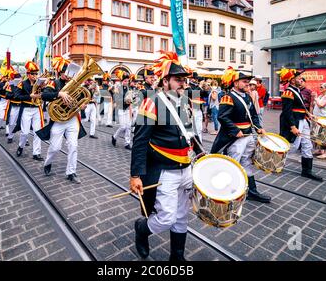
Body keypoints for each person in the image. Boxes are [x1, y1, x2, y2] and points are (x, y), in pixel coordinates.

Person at [130, 51, 200, 261]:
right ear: (165, 81)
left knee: (181, 216)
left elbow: (190, 135)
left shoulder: (185, 102)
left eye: (184, 80)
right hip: (164, 171)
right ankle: (142, 229)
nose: (182, 84)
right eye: (178, 80)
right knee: (166, 218)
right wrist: (135, 175)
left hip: (186, 168)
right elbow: (140, 141)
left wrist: (202, 154)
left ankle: (176, 257)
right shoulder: (151, 102)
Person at [211, 67, 270, 203]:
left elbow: (253, 115)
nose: (247, 85)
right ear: (236, 83)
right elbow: (223, 117)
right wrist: (234, 130)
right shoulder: (228, 97)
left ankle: (251, 191)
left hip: (248, 134)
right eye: (244, 82)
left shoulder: (248, 97)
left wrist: (259, 127)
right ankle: (229, 190)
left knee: (247, 162)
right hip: (235, 137)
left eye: (248, 83)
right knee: (233, 163)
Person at [37, 58, 87, 184]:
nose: (69, 75)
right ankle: (48, 163)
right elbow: (44, 95)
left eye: (71, 73)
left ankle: (71, 172)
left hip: (72, 119)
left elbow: (83, 98)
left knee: (73, 146)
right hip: (58, 120)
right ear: (60, 72)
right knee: (55, 147)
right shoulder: (54, 83)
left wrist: (82, 105)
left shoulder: (76, 83)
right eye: (67, 73)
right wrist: (59, 94)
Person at [278, 68, 323, 181]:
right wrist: (292, 127)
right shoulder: (288, 92)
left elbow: (301, 107)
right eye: (298, 77)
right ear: (292, 80)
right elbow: (287, 112)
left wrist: (309, 114)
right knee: (291, 146)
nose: (300, 79)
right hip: (295, 122)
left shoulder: (296, 90)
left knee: (307, 145)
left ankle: (307, 171)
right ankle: (274, 161)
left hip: (302, 120)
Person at [13, 61, 44, 160]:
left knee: (37, 131)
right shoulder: (22, 84)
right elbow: (17, 96)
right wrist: (29, 96)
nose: (35, 75)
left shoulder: (39, 83)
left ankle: (36, 153)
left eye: (36, 73)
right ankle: (21, 146)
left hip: (36, 109)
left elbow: (43, 94)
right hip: (26, 109)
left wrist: (43, 88)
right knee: (25, 132)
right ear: (28, 74)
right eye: (32, 73)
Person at [112, 71, 132, 150]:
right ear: (122, 81)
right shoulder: (117, 88)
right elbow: (116, 99)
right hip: (120, 109)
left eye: (127, 81)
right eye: (125, 81)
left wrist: (132, 100)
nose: (126, 82)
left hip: (127, 109)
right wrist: (124, 100)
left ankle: (127, 143)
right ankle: (114, 137)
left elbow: (131, 100)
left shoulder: (129, 88)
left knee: (128, 127)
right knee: (123, 127)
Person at [313, 83, 326, 159]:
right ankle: (320, 150)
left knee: (324, 135)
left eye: (321, 87)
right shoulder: (321, 95)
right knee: (317, 134)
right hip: (317, 117)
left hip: (323, 118)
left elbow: (321, 105)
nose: (320, 88)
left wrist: (315, 98)